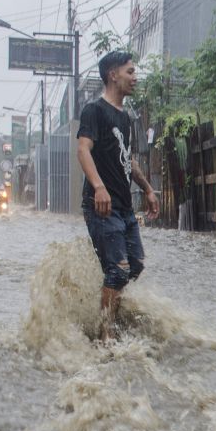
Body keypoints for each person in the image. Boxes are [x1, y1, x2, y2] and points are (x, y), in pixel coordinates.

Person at [76, 50, 160, 341]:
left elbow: (129, 159)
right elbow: (83, 149)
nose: (135, 78)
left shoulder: (125, 117)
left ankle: (108, 311)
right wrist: (98, 187)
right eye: (130, 72)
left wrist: (148, 189)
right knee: (118, 270)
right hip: (102, 205)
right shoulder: (94, 110)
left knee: (134, 265)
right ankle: (104, 332)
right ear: (113, 75)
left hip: (124, 206)